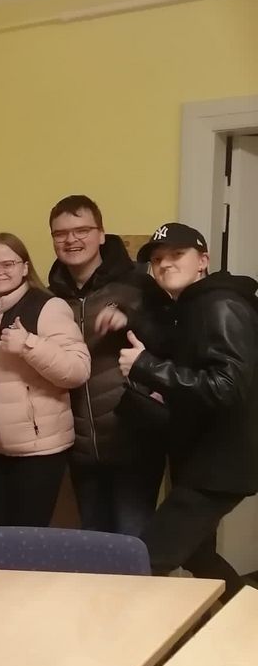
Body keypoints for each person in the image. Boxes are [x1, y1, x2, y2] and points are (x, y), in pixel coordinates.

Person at [119, 222, 258, 600]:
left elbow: (227, 387)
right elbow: (194, 364)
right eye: (158, 259)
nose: (165, 264)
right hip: (203, 459)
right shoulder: (193, 306)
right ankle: (243, 618)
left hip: (217, 466)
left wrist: (145, 367)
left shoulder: (221, 305)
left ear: (203, 261)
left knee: (145, 560)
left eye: (177, 254)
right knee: (199, 555)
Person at [47, 194, 165, 535]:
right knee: (95, 544)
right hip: (80, 446)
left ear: (101, 234)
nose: (71, 240)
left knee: (132, 541)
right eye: (60, 233)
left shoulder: (139, 283)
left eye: (82, 230)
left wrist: (131, 319)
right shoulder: (51, 297)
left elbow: (171, 338)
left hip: (133, 441)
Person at [0, 232, 90, 527]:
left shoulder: (47, 306)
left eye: (7, 264)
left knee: (28, 538)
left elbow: (77, 370)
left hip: (39, 449)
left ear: (25, 267)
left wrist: (29, 344)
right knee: (1, 534)